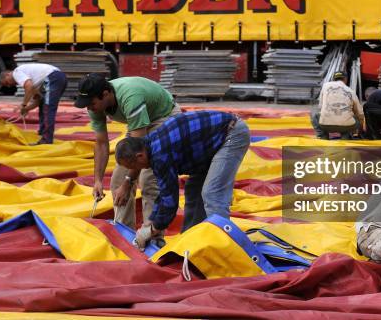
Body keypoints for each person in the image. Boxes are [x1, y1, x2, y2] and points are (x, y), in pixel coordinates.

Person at [114, 110, 250, 249]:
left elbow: (170, 201)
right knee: (193, 191)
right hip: (208, 146)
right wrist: (152, 222)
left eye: (133, 166)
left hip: (231, 134)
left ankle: (225, 247)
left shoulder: (160, 155)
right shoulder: (151, 145)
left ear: (140, 156)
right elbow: (164, 191)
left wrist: (152, 229)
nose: (136, 170)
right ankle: (190, 241)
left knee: (212, 193)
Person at [73, 73, 181, 239]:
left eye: (92, 104)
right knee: (117, 181)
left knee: (148, 180)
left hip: (163, 117)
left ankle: (153, 237)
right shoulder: (95, 104)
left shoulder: (130, 97)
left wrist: (128, 182)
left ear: (106, 94)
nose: (89, 108)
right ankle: (125, 235)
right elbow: (101, 143)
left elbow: (139, 153)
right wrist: (98, 181)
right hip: (139, 123)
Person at [0, 63, 67, 144]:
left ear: (8, 74)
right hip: (57, 77)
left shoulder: (16, 73)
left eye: (6, 83)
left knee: (48, 109)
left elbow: (28, 86)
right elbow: (38, 100)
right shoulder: (36, 79)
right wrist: (27, 109)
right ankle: (43, 133)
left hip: (53, 77)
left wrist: (23, 104)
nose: (9, 86)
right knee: (44, 105)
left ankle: (46, 139)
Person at [311, 71, 364, 139]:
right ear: (345, 79)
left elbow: (321, 106)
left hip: (325, 125)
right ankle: (346, 136)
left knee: (314, 113)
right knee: (354, 116)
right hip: (347, 126)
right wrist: (360, 129)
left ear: (334, 79)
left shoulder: (325, 86)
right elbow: (360, 113)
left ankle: (323, 137)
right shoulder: (351, 91)